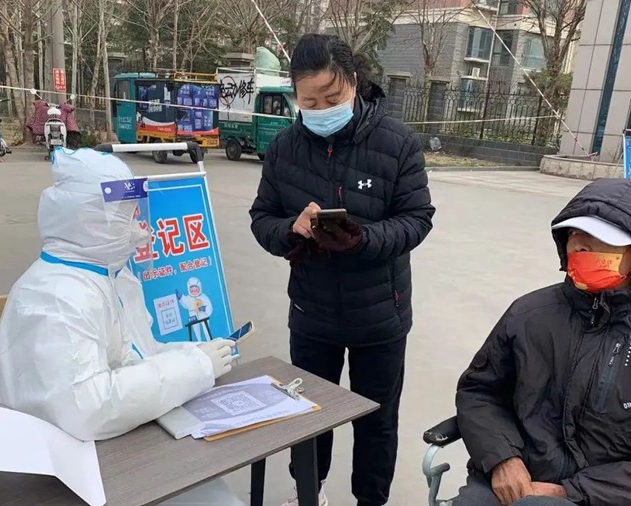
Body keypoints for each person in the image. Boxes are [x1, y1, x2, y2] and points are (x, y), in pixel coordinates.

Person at [0, 147, 244, 506]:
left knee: (214, 488)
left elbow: (136, 355)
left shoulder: (109, 277)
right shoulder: (57, 298)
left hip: (102, 447)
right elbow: (89, 407)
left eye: (136, 212)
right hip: (54, 474)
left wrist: (192, 351)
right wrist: (195, 367)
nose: (140, 228)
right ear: (90, 220)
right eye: (126, 215)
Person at [249, 34, 435, 506]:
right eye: (309, 102)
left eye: (332, 99)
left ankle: (371, 500)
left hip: (380, 315)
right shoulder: (285, 148)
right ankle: (308, 492)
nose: (321, 109)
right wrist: (291, 230)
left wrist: (363, 239)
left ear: (353, 83)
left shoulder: (397, 143)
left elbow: (417, 218)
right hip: (312, 313)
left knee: (377, 419)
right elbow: (262, 217)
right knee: (309, 414)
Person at [451, 178, 631, 506]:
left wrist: (572, 491)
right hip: (514, 478)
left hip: (603, 494)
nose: (581, 247)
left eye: (602, 239)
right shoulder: (529, 314)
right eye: (575, 234)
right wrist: (502, 458)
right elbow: (480, 392)